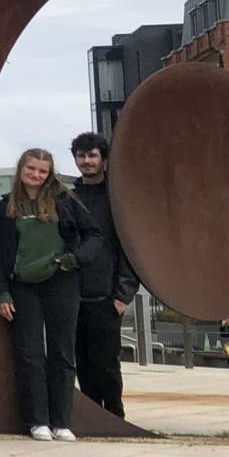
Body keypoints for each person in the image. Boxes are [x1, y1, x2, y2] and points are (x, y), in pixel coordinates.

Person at [0, 147, 101, 441]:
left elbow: (94, 234)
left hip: (61, 283)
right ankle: (37, 420)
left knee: (62, 352)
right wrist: (1, 293)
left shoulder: (65, 201)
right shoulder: (5, 207)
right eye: (31, 169)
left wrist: (74, 260)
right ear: (21, 170)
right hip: (23, 286)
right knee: (30, 354)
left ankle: (62, 421)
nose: (36, 175)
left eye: (42, 171)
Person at [69, 132, 139, 418]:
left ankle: (114, 414)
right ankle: (92, 414)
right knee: (81, 360)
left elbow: (131, 248)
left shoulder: (117, 198)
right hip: (74, 294)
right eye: (82, 156)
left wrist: (123, 294)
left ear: (104, 159)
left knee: (107, 362)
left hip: (107, 294)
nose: (87, 161)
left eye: (92, 155)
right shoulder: (68, 197)